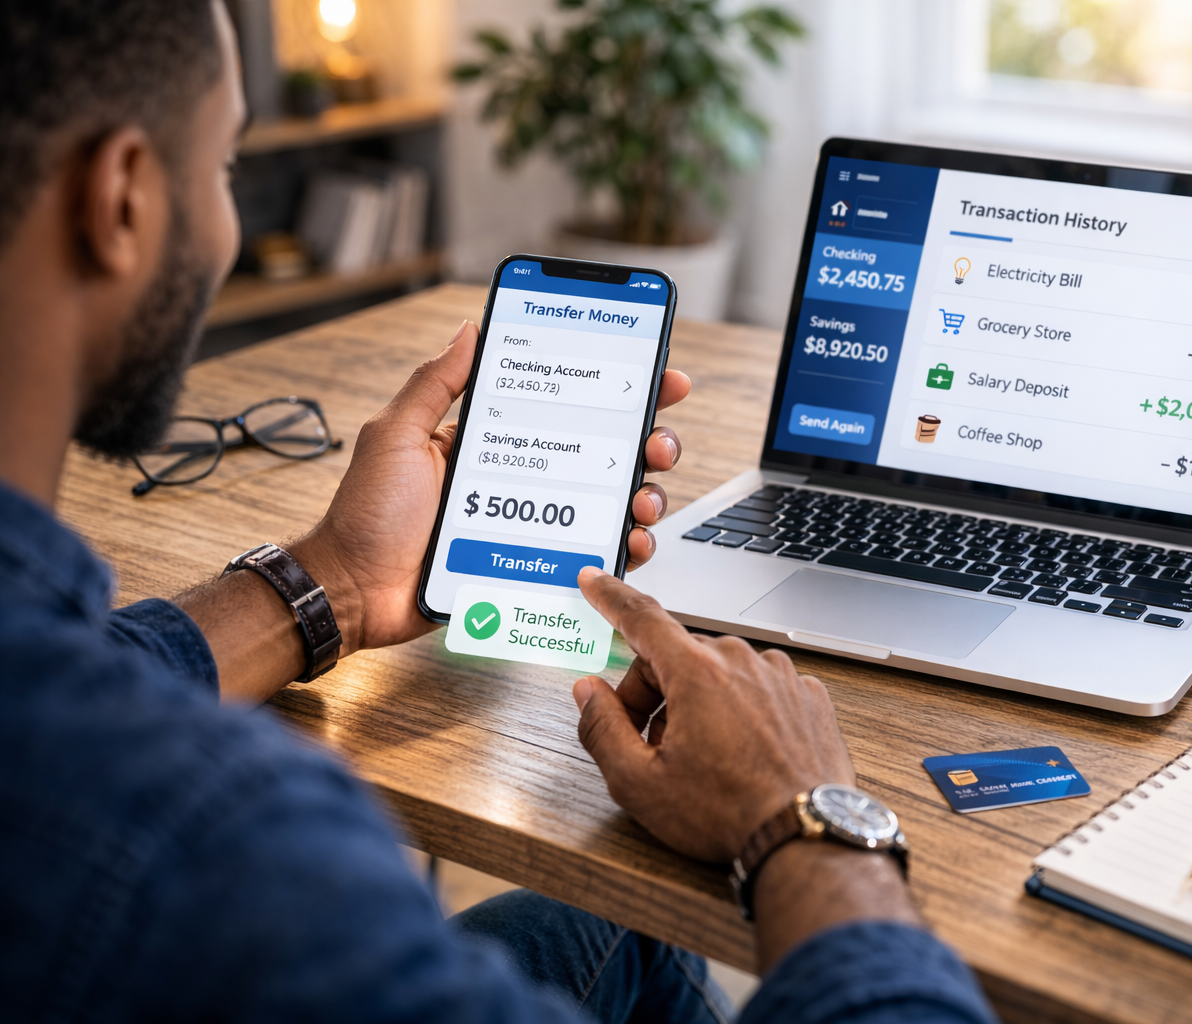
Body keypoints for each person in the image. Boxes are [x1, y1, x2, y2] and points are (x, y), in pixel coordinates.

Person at [0, 2, 998, 1022]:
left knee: (615, 926)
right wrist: (810, 824)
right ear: (118, 197)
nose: (226, 223)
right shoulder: (222, 843)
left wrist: (338, 582)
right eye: (221, 166)